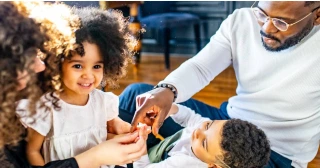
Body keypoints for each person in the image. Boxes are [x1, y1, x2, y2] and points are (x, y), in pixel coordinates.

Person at [119, 1, 320, 168]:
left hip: (276, 155)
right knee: (137, 97)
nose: (266, 28)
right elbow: (201, 68)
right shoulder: (242, 20)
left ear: (317, 16)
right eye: (262, 13)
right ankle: (141, 154)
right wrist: (167, 90)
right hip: (228, 122)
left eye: (281, 22)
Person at [0, 2, 147, 168]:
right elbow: (33, 153)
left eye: (97, 66)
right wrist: (98, 155)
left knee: (138, 90)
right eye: (77, 66)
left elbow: (98, 132)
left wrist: (127, 132)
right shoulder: (44, 108)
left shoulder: (102, 100)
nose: (41, 66)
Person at [134, 104, 270, 168]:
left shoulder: (184, 164)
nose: (198, 132)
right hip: (156, 149)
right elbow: (189, 117)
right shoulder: (207, 130)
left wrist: (139, 145)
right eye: (208, 125)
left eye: (204, 143)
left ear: (213, 166)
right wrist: (170, 109)